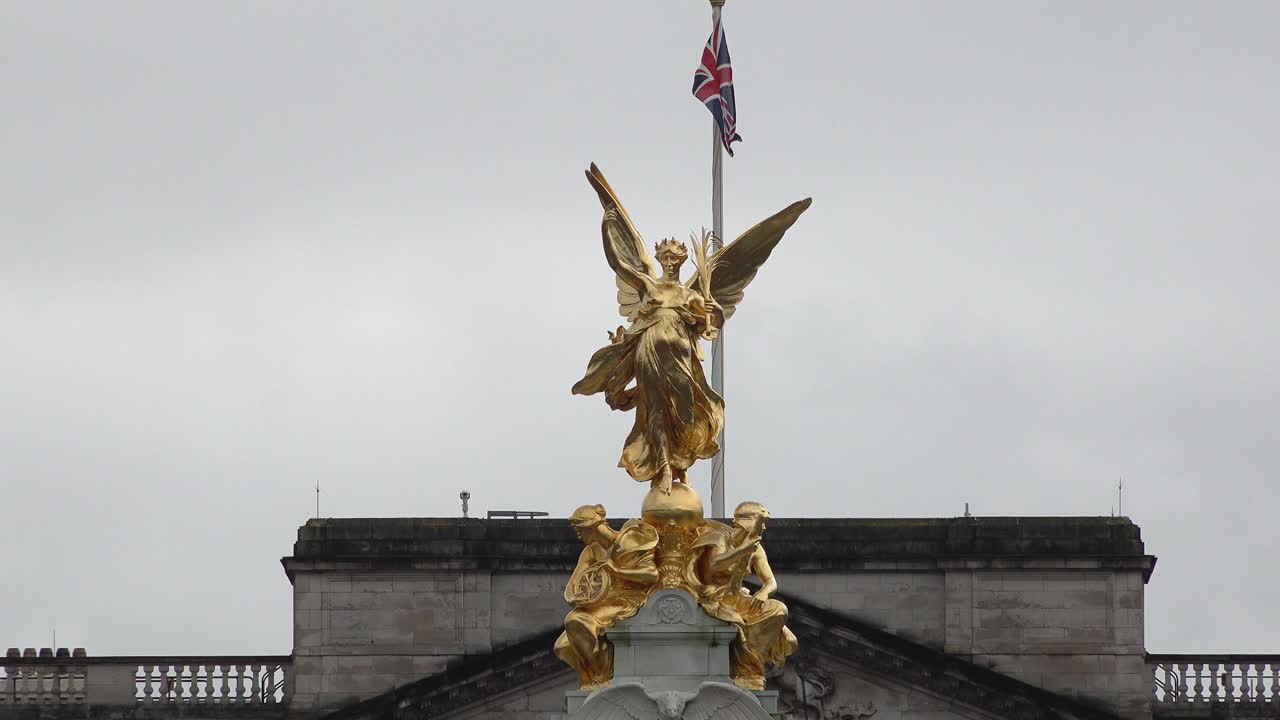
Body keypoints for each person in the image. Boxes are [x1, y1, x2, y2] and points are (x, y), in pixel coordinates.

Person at [691, 501, 797, 690]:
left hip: (738, 598)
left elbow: (771, 581)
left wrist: (763, 593)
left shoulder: (757, 548)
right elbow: (715, 564)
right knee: (737, 621)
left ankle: (751, 662)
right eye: (761, 522)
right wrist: (743, 550)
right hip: (712, 597)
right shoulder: (719, 538)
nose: (763, 528)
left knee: (780, 612)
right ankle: (747, 669)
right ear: (748, 522)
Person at [553, 504, 660, 689]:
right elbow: (573, 585)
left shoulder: (630, 541)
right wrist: (573, 598)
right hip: (602, 602)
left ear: (590, 527)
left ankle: (600, 678)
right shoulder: (591, 551)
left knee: (575, 620)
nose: (578, 536)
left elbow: (651, 575)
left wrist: (616, 571)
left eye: (579, 531)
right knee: (562, 646)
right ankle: (597, 675)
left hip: (630, 600)